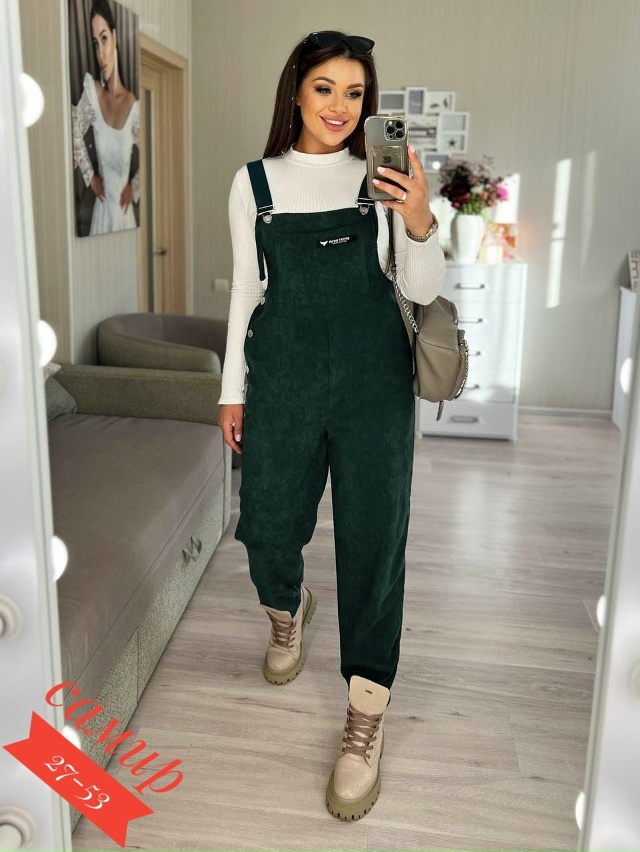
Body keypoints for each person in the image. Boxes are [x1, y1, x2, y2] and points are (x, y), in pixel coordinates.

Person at [217, 30, 445, 820]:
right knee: (266, 525)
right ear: (296, 92)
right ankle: (287, 608)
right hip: (281, 381)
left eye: (355, 92)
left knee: (374, 543)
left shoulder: (382, 178)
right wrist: (231, 391)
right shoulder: (254, 182)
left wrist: (418, 215)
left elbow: (421, 289)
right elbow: (246, 291)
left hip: (374, 387)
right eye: (325, 88)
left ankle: (366, 710)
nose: (341, 106)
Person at [71, 0, 139, 235]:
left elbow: (157, 148)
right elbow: (72, 131)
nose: (100, 53)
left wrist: (135, 186)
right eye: (95, 43)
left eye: (104, 39)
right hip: (101, 217)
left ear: (115, 37)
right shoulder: (92, 93)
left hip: (125, 219)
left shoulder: (132, 105)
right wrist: (91, 177)